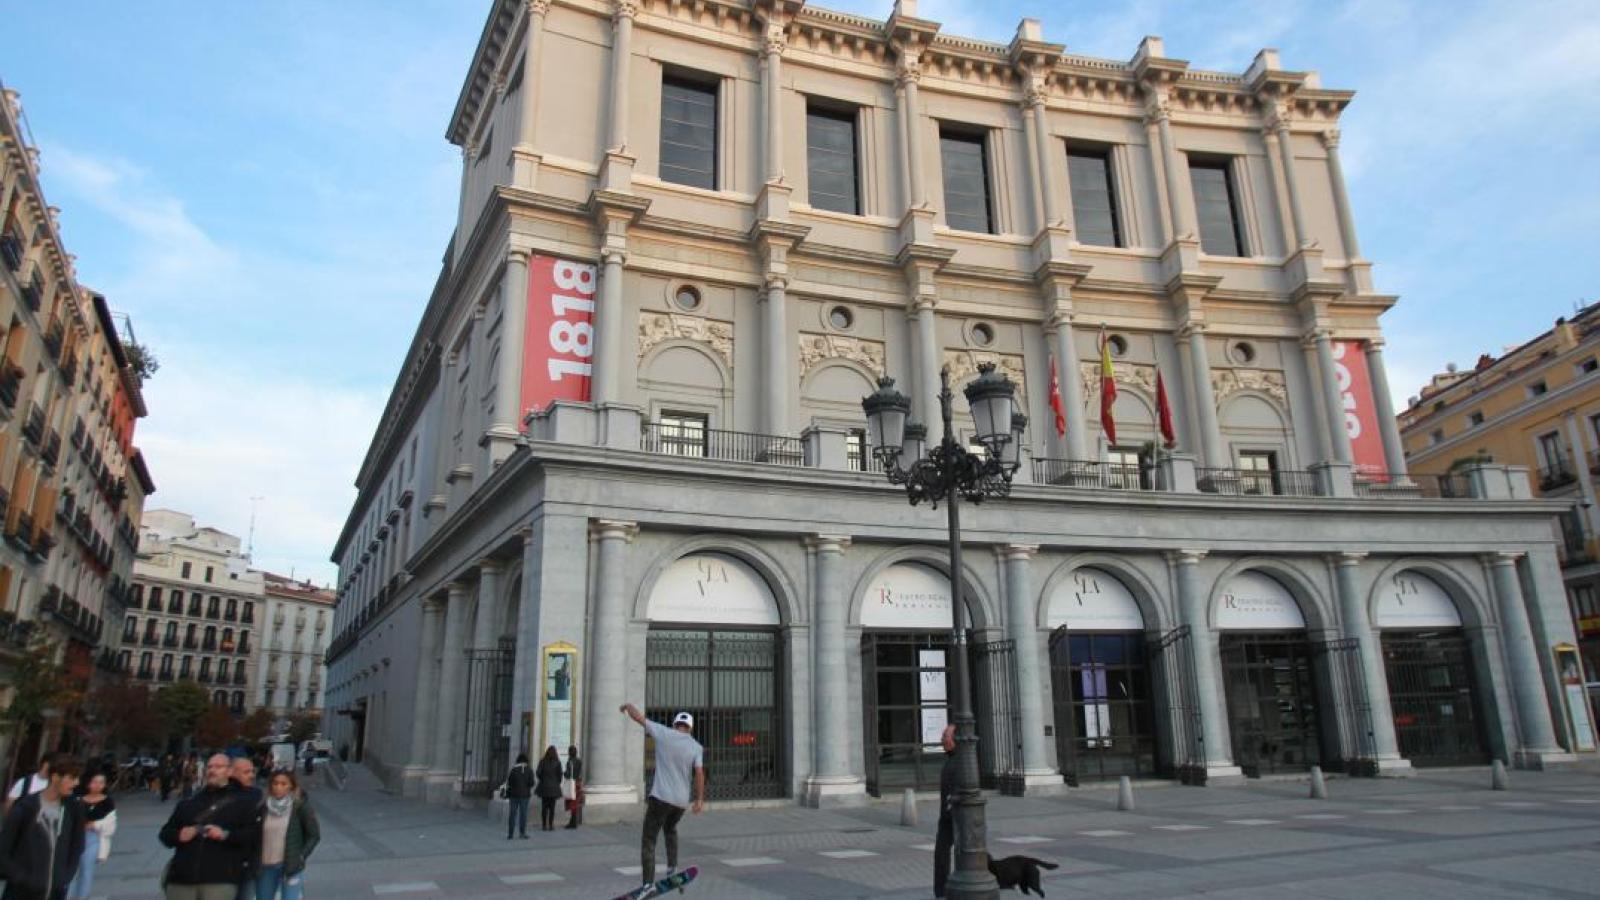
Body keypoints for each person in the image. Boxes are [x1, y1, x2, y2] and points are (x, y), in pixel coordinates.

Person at [620, 703, 704, 889]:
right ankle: (672, 868)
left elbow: (638, 717)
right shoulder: (696, 747)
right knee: (670, 828)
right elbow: (699, 773)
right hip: (680, 802)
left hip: (660, 798)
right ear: (690, 728)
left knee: (649, 840)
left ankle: (647, 884)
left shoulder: (663, 732)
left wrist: (627, 706)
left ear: (675, 724)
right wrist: (699, 800)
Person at [158, 753, 262, 900]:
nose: (212, 770)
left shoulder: (244, 802)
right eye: (209, 767)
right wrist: (179, 835)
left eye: (218, 767)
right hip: (182, 879)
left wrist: (225, 835)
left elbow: (253, 835)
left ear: (230, 771)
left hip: (220, 880)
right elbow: (165, 834)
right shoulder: (189, 803)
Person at [0, 754, 85, 900]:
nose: (76, 783)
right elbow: (3, 849)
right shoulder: (25, 807)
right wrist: (22, 878)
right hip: (21, 892)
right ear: (55, 777)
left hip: (55, 891)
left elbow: (77, 844)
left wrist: (65, 876)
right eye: (72, 778)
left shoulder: (73, 808)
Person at [253, 771, 318, 900]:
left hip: (290, 866)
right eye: (275, 783)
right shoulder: (263, 808)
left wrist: (301, 855)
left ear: (291, 787)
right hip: (266, 866)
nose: (279, 787)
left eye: (284, 784)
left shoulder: (299, 807)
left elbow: (314, 835)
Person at [65, 771, 116, 900]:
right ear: (88, 784)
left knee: (86, 870)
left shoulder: (108, 802)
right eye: (95, 782)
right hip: (75, 837)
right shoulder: (77, 800)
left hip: (94, 838)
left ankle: (82, 897)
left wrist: (95, 825)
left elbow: (111, 824)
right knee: (71, 870)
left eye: (101, 783)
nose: (98, 785)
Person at [229, 758, 265, 900]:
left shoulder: (257, 794)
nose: (251, 775)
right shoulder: (223, 795)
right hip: (225, 864)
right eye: (246, 772)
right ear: (232, 772)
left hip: (249, 863)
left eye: (252, 771)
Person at [933, 724, 959, 899]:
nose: (942, 739)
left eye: (945, 736)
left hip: (960, 817)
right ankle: (941, 892)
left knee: (969, 855)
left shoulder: (963, 760)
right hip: (947, 818)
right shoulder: (950, 758)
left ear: (955, 740)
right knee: (941, 854)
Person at [502, 754, 533, 840]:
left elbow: (509, 782)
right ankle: (522, 833)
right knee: (523, 814)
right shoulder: (529, 770)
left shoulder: (513, 769)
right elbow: (532, 783)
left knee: (512, 814)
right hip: (525, 795)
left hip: (513, 795)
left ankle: (510, 833)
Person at [534, 747, 563, 832]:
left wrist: (542, 779)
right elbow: (560, 775)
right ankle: (550, 825)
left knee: (544, 807)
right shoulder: (557, 762)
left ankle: (544, 825)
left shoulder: (542, 762)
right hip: (554, 788)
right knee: (552, 808)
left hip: (544, 787)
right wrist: (557, 782)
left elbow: (538, 773)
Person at [562, 745, 583, 829]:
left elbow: (568, 773)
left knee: (572, 803)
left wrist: (564, 773)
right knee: (575, 802)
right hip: (577, 782)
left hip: (572, 784)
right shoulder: (579, 761)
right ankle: (573, 821)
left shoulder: (570, 761)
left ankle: (573, 822)